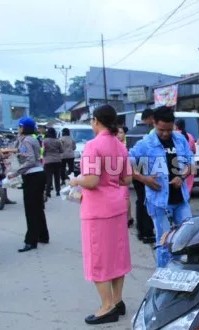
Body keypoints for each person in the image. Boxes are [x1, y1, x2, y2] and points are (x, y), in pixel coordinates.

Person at [70, 105, 132, 325]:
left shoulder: (93, 146)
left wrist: (76, 180)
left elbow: (92, 180)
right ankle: (117, 300)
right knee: (117, 256)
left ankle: (107, 307)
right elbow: (126, 179)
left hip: (97, 210)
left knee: (98, 258)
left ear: (96, 121)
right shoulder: (120, 146)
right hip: (117, 207)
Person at [129, 106, 193, 267]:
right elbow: (126, 163)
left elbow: (191, 163)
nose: (165, 133)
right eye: (161, 130)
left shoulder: (180, 140)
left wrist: (182, 176)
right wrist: (144, 179)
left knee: (187, 238)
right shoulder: (145, 143)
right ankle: (163, 277)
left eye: (169, 130)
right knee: (164, 242)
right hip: (159, 202)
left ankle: (179, 273)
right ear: (154, 123)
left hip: (181, 200)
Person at [6, 117, 49, 252]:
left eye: (19, 127)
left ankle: (31, 241)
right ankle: (43, 235)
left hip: (32, 176)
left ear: (23, 128)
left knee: (31, 210)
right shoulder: (32, 139)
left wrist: (16, 173)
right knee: (37, 208)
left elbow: (29, 159)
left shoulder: (26, 141)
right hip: (38, 174)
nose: (18, 129)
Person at [126, 109, 155, 243]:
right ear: (149, 118)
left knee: (140, 199)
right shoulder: (150, 133)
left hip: (134, 168)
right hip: (147, 168)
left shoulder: (130, 132)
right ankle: (147, 232)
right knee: (147, 200)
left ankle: (141, 230)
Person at [117, 126, 134, 228]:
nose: (119, 135)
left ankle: (128, 217)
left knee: (125, 196)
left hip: (124, 174)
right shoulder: (115, 145)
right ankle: (127, 217)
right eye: (118, 133)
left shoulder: (126, 146)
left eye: (121, 132)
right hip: (117, 173)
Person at [174, 118, 196, 196]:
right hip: (189, 166)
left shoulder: (174, 136)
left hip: (177, 166)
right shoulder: (190, 136)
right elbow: (194, 150)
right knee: (187, 190)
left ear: (175, 126)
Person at [43, 127, 63, 198]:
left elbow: (43, 151)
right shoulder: (58, 141)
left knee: (48, 177)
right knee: (57, 177)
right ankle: (58, 191)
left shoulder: (45, 141)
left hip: (48, 161)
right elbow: (61, 150)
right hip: (57, 160)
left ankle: (48, 192)